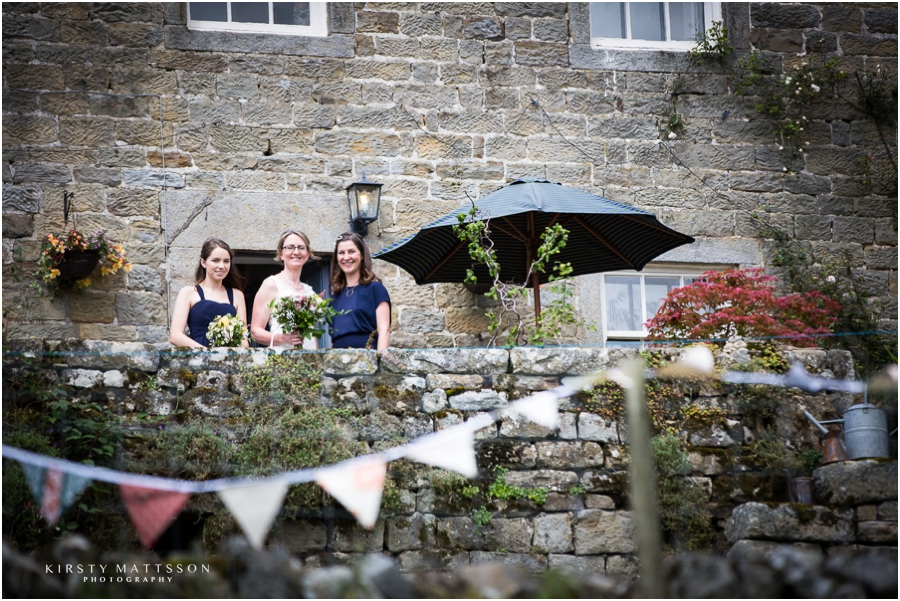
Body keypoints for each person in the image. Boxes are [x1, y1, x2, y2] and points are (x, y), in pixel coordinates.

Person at [170, 238, 248, 349]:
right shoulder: (188, 293)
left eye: (226, 261)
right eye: (216, 260)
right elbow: (175, 336)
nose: (221, 266)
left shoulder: (237, 295)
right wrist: (207, 354)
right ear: (203, 262)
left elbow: (243, 340)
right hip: (198, 360)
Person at [250, 230, 319, 349]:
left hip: (309, 358)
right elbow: (255, 332)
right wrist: (283, 339)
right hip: (283, 359)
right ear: (281, 253)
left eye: (301, 248)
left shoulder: (310, 291)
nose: (296, 252)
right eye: (290, 247)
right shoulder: (271, 284)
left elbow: (312, 334)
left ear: (307, 254)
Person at [329, 231, 391, 351]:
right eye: (341, 253)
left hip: (367, 360)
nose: (346, 257)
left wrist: (380, 364)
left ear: (362, 255)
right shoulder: (334, 297)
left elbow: (384, 331)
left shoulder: (375, 289)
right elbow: (334, 339)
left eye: (351, 251)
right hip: (338, 362)